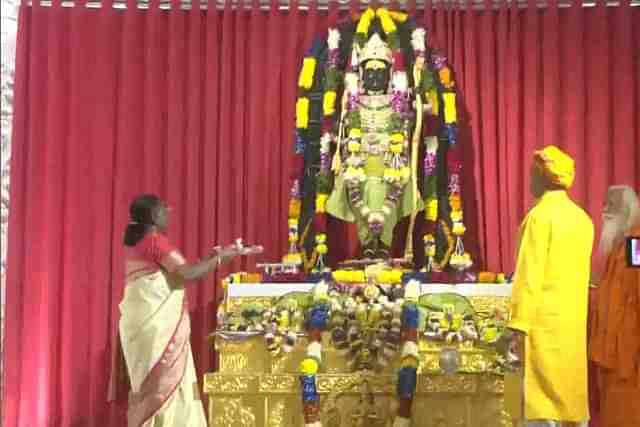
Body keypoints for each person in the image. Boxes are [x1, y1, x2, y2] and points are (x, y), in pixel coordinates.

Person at [118, 194, 262, 427]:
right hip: (158, 333)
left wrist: (214, 256)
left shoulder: (140, 243)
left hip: (143, 329)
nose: (169, 214)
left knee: (153, 391)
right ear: (155, 216)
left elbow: (176, 274)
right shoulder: (156, 242)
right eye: (166, 210)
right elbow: (187, 274)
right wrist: (223, 258)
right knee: (164, 390)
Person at [505, 146, 594, 427]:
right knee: (570, 401)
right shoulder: (582, 219)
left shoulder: (540, 217)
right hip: (573, 326)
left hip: (542, 326)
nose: (529, 180)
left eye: (533, 174)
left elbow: (529, 276)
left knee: (543, 406)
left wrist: (518, 325)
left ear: (545, 177)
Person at [589, 185, 640, 427]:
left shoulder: (635, 244)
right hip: (610, 353)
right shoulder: (619, 245)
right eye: (605, 203)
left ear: (627, 210)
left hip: (628, 357)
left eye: (613, 204)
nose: (605, 209)